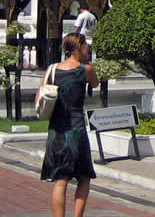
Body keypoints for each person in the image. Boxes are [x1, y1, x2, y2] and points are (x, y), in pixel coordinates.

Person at [40, 33, 99, 217]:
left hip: (57, 129)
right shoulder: (85, 69)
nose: (87, 49)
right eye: (85, 46)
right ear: (78, 47)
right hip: (76, 128)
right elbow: (95, 84)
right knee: (84, 176)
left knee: (60, 179)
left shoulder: (53, 69)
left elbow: (40, 93)